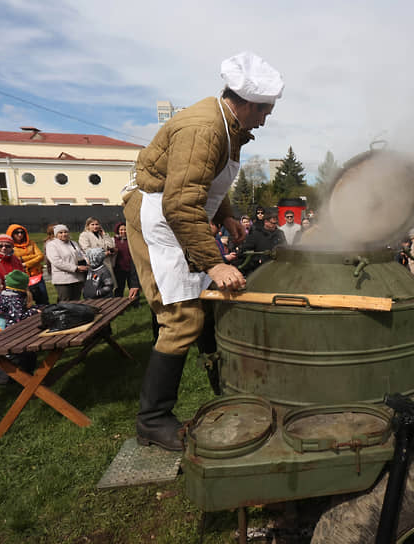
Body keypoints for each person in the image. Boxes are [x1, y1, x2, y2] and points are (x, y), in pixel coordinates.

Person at [121, 51, 281, 451]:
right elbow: (180, 202)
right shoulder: (204, 128)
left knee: (203, 310)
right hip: (161, 219)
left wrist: (227, 215)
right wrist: (214, 262)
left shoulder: (227, 124)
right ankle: (152, 420)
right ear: (245, 102)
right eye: (264, 111)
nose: (265, 119)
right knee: (182, 319)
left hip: (179, 216)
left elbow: (204, 182)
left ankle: (220, 390)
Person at [0, 270, 40, 381]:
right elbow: (19, 317)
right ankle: (11, 377)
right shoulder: (14, 299)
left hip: (12, 329)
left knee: (19, 355)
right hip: (17, 331)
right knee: (22, 355)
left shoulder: (6, 295)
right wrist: (34, 312)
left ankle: (22, 375)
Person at [7, 223, 48, 306]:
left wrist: (24, 263)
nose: (20, 234)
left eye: (22, 232)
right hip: (21, 278)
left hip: (37, 275)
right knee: (25, 302)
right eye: (16, 233)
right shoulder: (8, 246)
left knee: (43, 300)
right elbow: (14, 259)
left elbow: (40, 256)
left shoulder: (31, 243)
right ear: (11, 234)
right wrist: (32, 257)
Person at [45, 224, 88, 302]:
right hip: (63, 280)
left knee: (76, 301)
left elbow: (81, 254)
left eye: (65, 232)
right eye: (60, 233)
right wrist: (75, 268)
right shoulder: (51, 245)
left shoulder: (73, 243)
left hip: (77, 278)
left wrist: (86, 262)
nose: (64, 234)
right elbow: (56, 261)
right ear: (56, 234)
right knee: (65, 302)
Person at [237, 210, 286, 275]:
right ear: (266, 222)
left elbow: (285, 248)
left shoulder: (280, 233)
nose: (275, 225)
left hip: (277, 269)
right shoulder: (255, 235)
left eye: (276, 223)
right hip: (260, 270)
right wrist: (259, 259)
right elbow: (244, 253)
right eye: (273, 223)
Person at [78, 217, 117, 286]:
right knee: (97, 286)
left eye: (97, 224)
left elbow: (111, 246)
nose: (95, 226)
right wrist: (104, 253)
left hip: (106, 264)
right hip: (94, 265)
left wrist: (104, 234)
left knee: (108, 285)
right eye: (92, 224)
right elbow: (87, 251)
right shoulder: (84, 235)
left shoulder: (101, 235)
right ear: (88, 226)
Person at [113, 223, 140, 300]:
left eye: (125, 229)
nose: (123, 231)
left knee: (133, 285)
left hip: (131, 267)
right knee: (119, 287)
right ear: (118, 231)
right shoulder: (114, 240)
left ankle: (135, 303)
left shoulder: (131, 239)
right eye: (121, 230)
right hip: (119, 267)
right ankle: (118, 303)